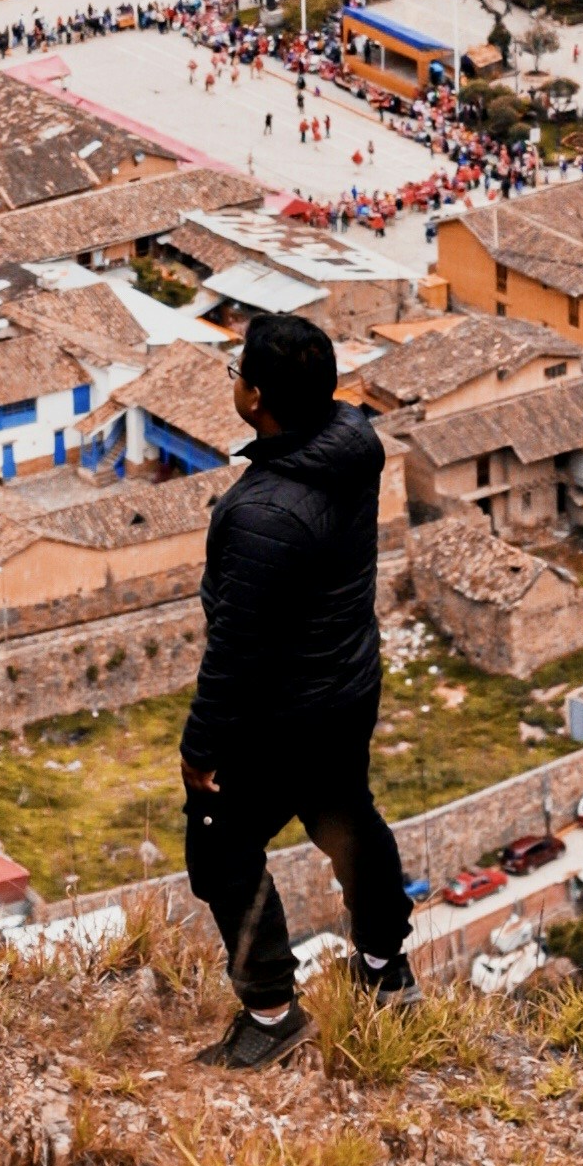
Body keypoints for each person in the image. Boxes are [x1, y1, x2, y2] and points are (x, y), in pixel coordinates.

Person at [178, 306, 409, 1066]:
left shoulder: (262, 513)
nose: (237, 383)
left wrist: (201, 746)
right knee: (345, 816)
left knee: (221, 843)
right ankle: (384, 968)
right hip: (348, 682)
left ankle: (273, 1012)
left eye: (239, 372)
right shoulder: (354, 445)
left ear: (255, 398)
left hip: (281, 713)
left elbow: (236, 651)